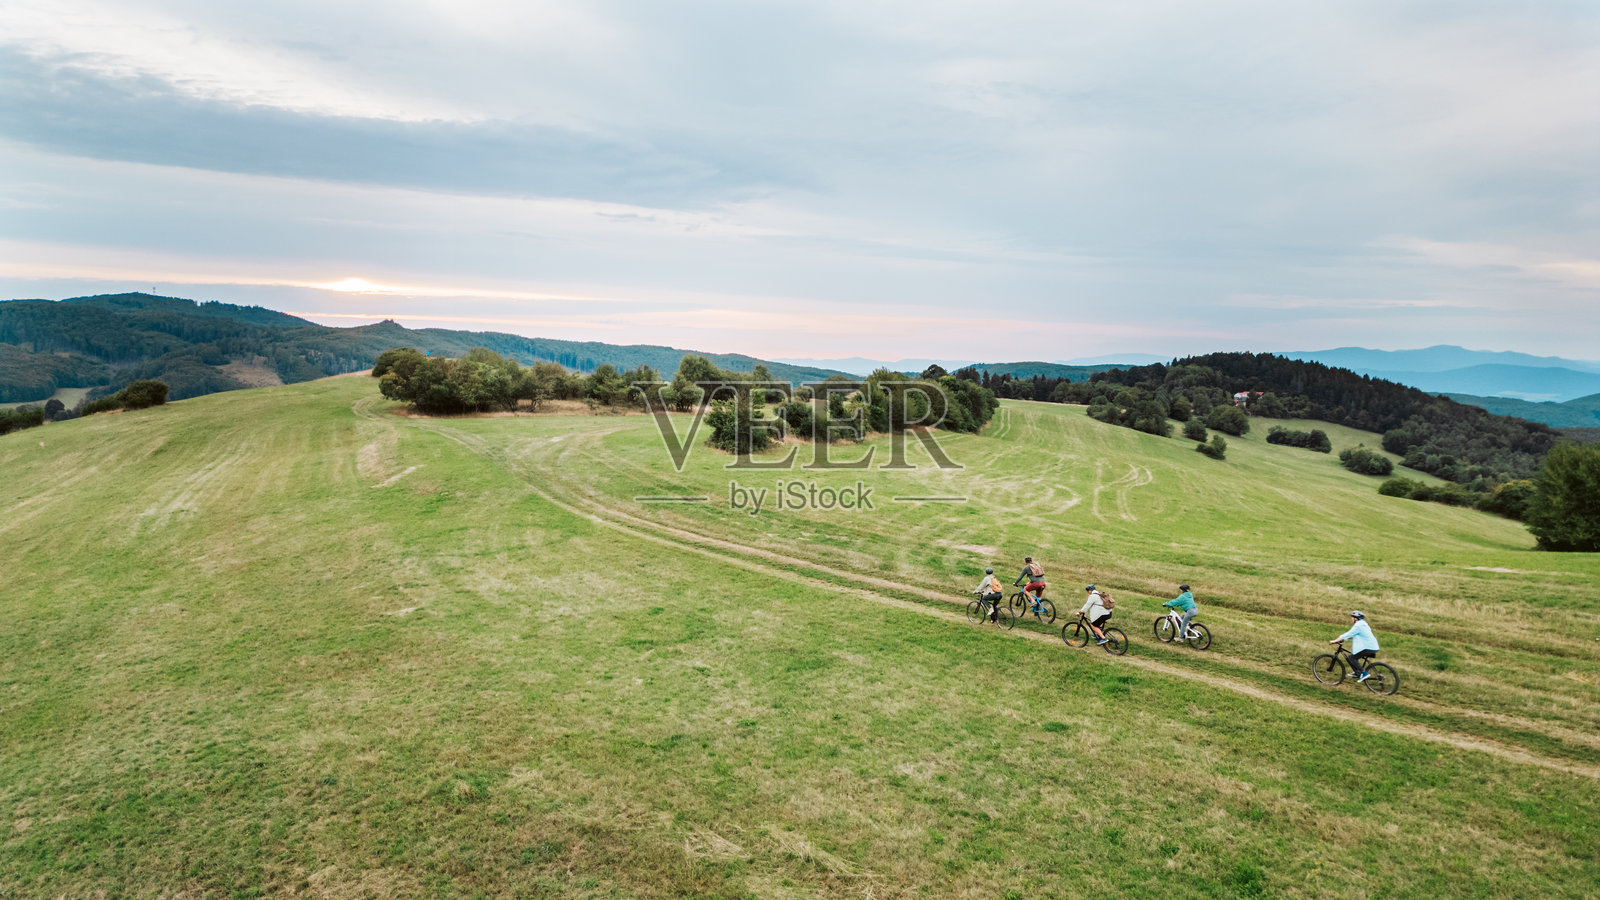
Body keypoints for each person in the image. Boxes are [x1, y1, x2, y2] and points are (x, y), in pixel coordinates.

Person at [1331, 611, 1380, 681]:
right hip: (1373, 646)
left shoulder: (1358, 626)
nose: (1351, 619)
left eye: (1352, 617)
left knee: (1352, 657)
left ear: (1356, 619)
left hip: (1368, 647)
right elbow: (1354, 634)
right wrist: (1344, 639)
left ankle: (1364, 673)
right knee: (1353, 655)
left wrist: (1335, 640)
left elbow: (1348, 634)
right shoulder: (1364, 624)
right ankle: (1357, 672)